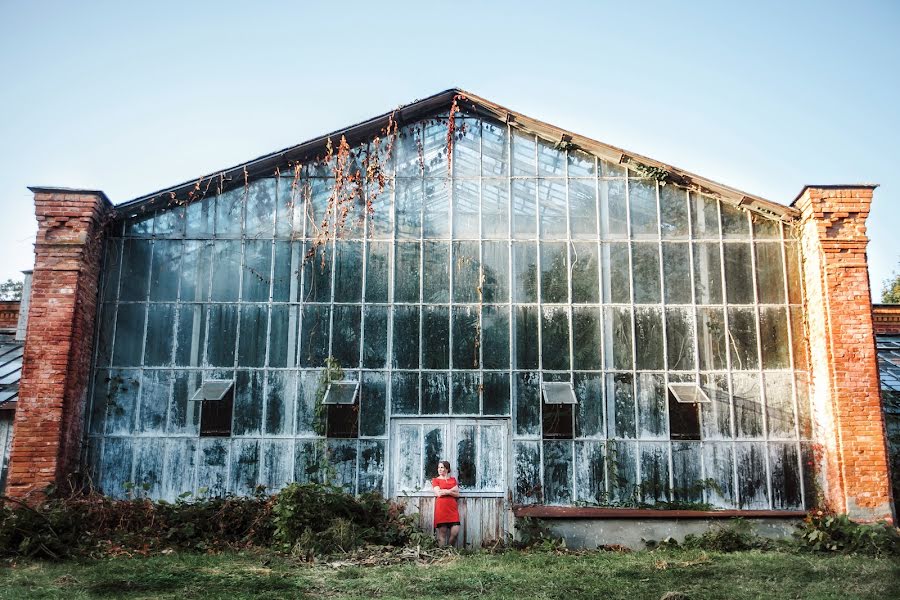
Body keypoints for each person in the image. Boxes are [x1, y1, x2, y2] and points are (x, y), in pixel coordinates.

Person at [431, 460, 460, 547]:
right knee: (442, 534)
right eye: (439, 467)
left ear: (447, 469)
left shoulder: (453, 480)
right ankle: (443, 554)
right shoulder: (435, 480)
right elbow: (439, 493)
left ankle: (450, 550)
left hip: (452, 509)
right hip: (441, 509)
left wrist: (446, 491)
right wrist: (451, 491)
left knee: (455, 532)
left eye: (442, 467)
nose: (439, 469)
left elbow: (457, 494)